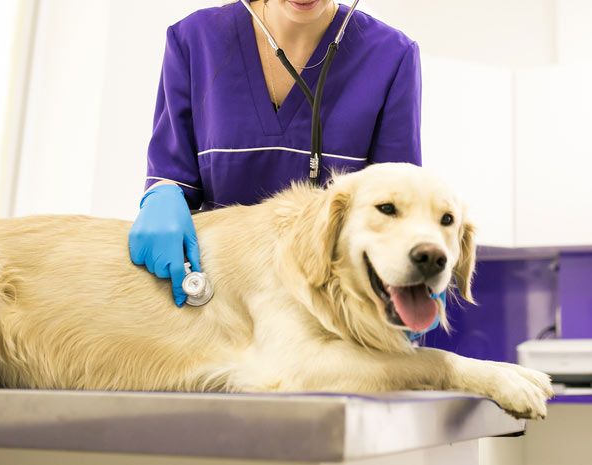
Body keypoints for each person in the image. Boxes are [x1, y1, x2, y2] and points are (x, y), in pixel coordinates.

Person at [129, 0, 440, 339]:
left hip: (325, 318)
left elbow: (398, 197)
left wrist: (408, 277)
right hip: (216, 303)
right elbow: (173, 172)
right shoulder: (194, 40)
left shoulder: (391, 56)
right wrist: (163, 194)